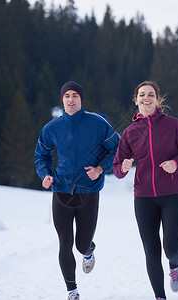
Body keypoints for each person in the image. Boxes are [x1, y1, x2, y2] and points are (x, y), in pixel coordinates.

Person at [35, 81, 119, 300]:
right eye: (67, 96)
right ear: (62, 100)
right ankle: (72, 290)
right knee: (65, 241)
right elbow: (41, 154)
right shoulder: (52, 127)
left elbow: (117, 149)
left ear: (82, 99)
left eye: (75, 96)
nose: (70, 100)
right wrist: (45, 174)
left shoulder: (98, 123)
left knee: (81, 244)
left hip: (88, 190)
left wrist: (101, 168)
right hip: (61, 189)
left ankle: (89, 250)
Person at [113, 81, 178, 300]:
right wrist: (124, 167)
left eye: (150, 94)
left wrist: (176, 163)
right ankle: (160, 296)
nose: (146, 98)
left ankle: (175, 265)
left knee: (171, 248)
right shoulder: (129, 133)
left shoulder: (172, 124)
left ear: (157, 100)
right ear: (136, 99)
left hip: (173, 195)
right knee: (151, 250)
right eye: (142, 94)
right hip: (144, 198)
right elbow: (117, 170)